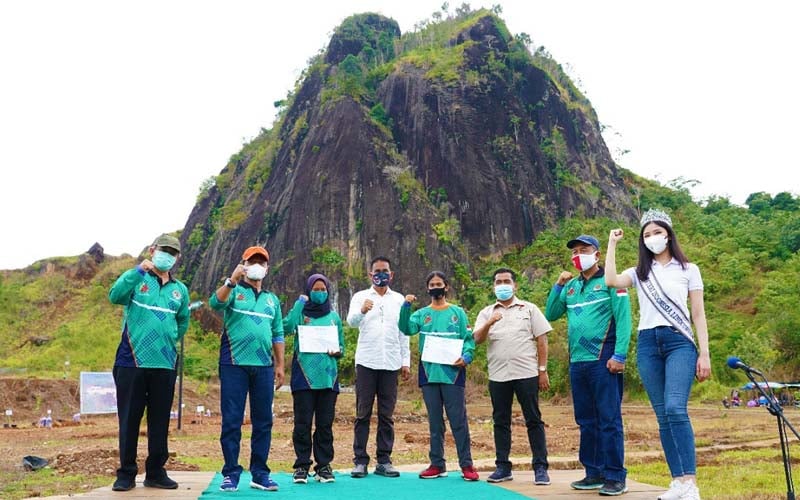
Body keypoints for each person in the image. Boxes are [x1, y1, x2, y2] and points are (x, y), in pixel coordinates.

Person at [605, 209, 711, 500]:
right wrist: (612, 244)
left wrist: (705, 353)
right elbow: (611, 280)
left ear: (668, 234)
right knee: (663, 415)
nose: (653, 238)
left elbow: (699, 314)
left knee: (676, 408)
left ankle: (691, 483)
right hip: (648, 343)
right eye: (647, 234)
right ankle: (677, 481)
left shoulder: (689, 269)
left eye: (657, 232)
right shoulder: (640, 272)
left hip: (679, 342)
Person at [544, 235, 632, 496]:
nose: (578, 255)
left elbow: (624, 319)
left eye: (584, 250)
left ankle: (615, 476)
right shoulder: (571, 287)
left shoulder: (611, 281)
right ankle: (593, 472)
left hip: (604, 359)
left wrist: (620, 355)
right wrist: (558, 287)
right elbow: (551, 314)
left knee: (609, 419)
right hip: (577, 361)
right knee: (586, 419)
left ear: (597, 254)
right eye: (575, 252)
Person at [108, 234, 190, 492]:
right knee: (130, 419)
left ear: (177, 258)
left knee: (160, 420)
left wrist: (169, 340)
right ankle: (126, 473)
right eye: (163, 250)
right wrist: (136, 271)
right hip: (131, 361)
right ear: (153, 250)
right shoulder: (137, 278)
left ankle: (155, 471)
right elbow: (115, 295)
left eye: (172, 252)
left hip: (164, 364)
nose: (167, 255)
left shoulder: (180, 290)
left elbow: (183, 321)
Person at [209, 246, 285, 492]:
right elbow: (215, 303)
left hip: (264, 366)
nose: (257, 266)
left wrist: (281, 365)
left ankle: (260, 473)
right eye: (252, 261)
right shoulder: (234, 291)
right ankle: (231, 472)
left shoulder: (272, 300)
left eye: (261, 262)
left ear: (267, 268)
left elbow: (278, 333)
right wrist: (232, 280)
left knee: (263, 421)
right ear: (243, 263)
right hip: (234, 364)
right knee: (232, 420)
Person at [473, 268, 553, 487]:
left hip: (526, 373)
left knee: (534, 419)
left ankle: (540, 467)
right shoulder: (486, 312)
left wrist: (542, 370)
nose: (502, 285)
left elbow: (542, 339)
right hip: (498, 375)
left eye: (506, 281)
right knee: (500, 421)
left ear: (515, 285)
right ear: (493, 287)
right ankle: (502, 466)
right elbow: (477, 339)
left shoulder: (529, 308)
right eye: (498, 282)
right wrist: (490, 322)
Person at [398, 271, 479, 481]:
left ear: (446, 287)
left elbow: (468, 339)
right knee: (435, 422)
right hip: (429, 373)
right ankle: (437, 464)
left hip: (453, 374)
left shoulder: (458, 313)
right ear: (428, 289)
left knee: (458, 421)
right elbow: (405, 328)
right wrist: (406, 307)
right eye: (432, 284)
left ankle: (467, 465)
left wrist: (467, 356)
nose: (436, 287)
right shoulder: (421, 314)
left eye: (439, 284)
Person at [347, 256, 410, 478]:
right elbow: (351, 322)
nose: (381, 274)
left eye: (385, 271)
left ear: (391, 275)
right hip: (366, 361)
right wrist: (362, 311)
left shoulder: (400, 299)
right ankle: (360, 461)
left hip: (391, 362)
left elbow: (404, 332)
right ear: (370, 274)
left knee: (387, 414)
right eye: (377, 271)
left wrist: (405, 361)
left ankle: (384, 460)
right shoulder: (360, 297)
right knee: (363, 413)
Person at [283, 273, 345, 484]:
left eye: (323, 289)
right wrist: (299, 303)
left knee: (325, 425)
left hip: (328, 378)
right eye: (315, 289)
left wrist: (338, 351)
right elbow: (286, 327)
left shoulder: (334, 317)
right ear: (308, 290)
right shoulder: (301, 314)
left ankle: (324, 466)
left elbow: (342, 346)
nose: (320, 293)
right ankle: (301, 466)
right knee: (302, 424)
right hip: (304, 377)